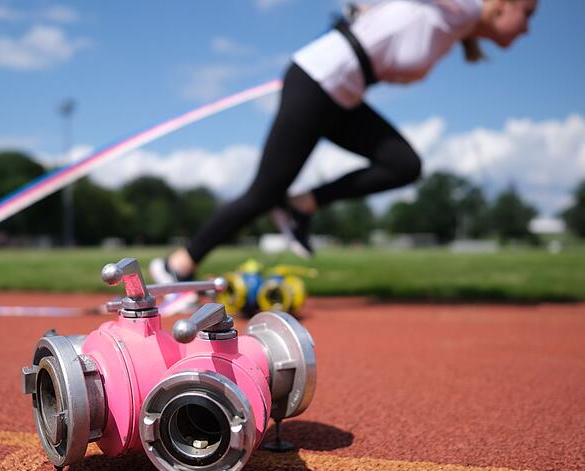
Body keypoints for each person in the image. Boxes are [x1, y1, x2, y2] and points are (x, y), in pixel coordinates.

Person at [151, 0, 537, 283]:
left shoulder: (453, 30)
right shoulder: (463, 8)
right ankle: (176, 266)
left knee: (403, 163)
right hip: (319, 79)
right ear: (505, 5)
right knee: (265, 190)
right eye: (528, 15)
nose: (527, 29)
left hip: (343, 95)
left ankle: (302, 205)